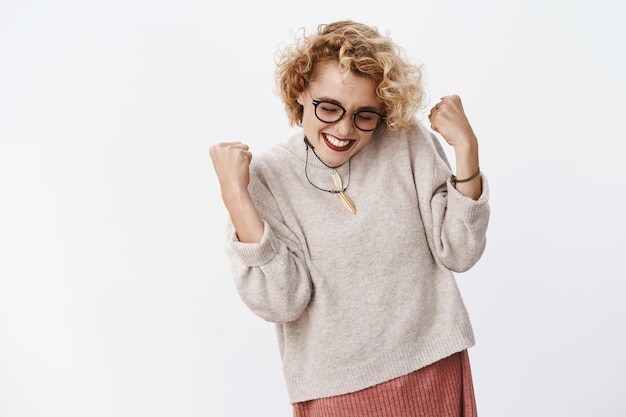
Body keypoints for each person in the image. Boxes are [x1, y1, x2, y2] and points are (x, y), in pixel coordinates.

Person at [210, 20, 490, 417]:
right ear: (299, 91)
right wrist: (235, 197)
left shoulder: (405, 142)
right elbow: (282, 301)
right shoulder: (266, 178)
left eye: (365, 115)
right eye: (329, 107)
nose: (344, 129)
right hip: (335, 392)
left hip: (433, 368)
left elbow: (459, 251)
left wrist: (467, 148)